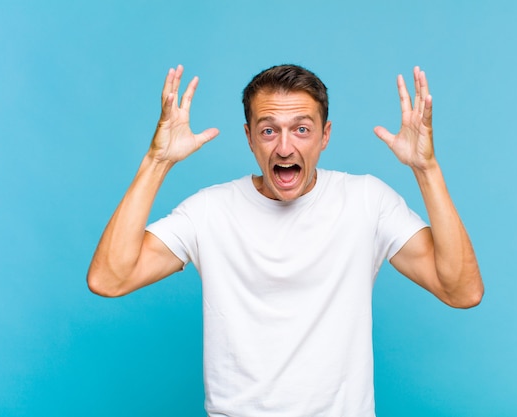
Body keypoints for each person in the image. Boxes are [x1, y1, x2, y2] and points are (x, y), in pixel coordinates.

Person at [87, 63, 484, 416]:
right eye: (268, 130)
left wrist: (426, 169)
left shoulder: (367, 201)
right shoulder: (209, 210)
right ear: (250, 137)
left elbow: (461, 290)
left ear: (324, 135)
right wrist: (157, 162)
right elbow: (110, 279)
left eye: (302, 129)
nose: (285, 146)